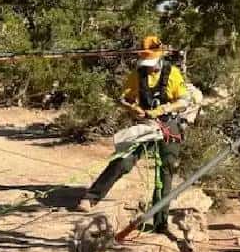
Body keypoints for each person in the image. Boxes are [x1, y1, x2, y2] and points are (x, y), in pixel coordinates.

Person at [79, 36, 190, 230]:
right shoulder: (136, 75)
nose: (149, 67)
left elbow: (183, 102)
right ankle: (91, 198)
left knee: (166, 172)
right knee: (123, 160)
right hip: (145, 125)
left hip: (168, 125)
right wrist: (132, 108)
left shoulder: (173, 74)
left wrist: (162, 110)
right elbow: (124, 98)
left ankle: (160, 222)